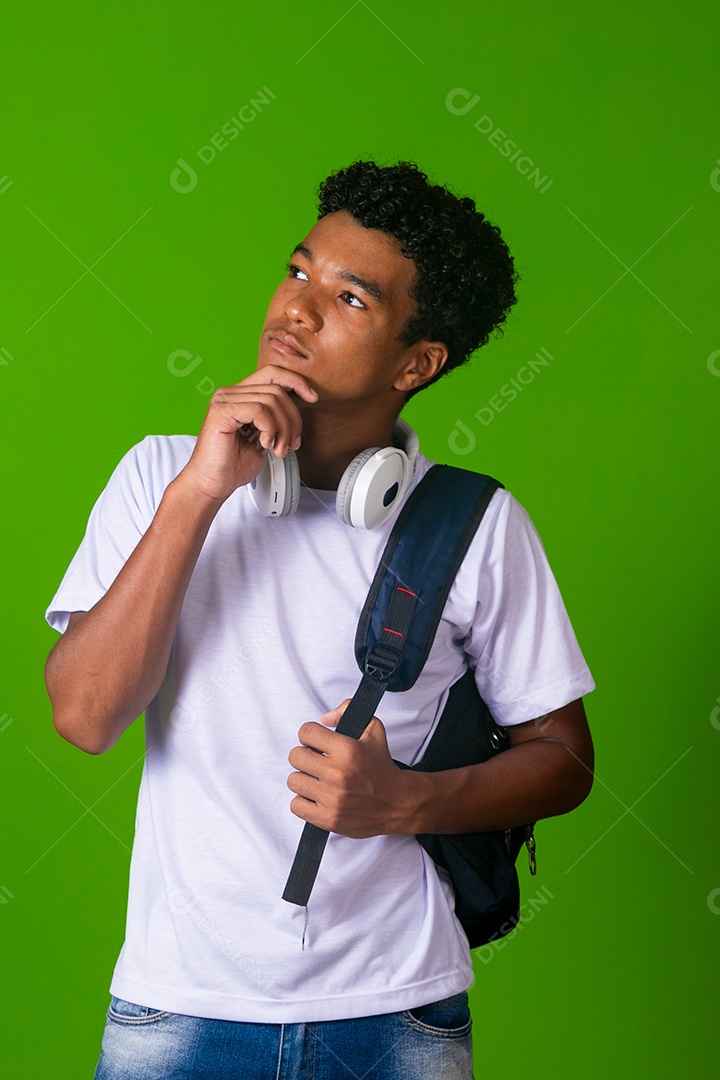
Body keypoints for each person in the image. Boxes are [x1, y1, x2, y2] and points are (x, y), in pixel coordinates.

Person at [44, 160, 595, 1080]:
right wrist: (199, 496)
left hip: (396, 1013)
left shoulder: (475, 524)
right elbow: (85, 716)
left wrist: (405, 801)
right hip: (177, 1005)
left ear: (417, 364)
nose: (296, 310)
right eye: (298, 272)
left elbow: (566, 759)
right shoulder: (159, 478)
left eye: (348, 298)